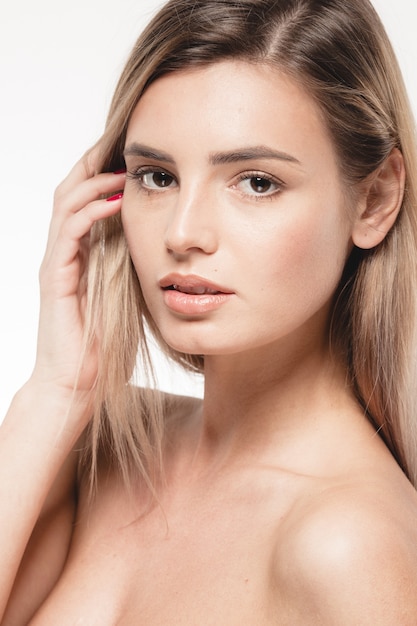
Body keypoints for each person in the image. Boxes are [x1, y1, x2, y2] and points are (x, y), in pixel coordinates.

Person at [2, 0, 417, 622]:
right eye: (157, 176)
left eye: (256, 181)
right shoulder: (94, 443)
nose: (183, 232)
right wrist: (55, 391)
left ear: (374, 200)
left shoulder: (348, 544)